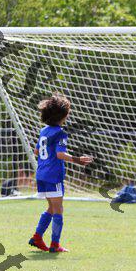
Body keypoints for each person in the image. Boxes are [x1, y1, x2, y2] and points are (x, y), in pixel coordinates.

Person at [28, 93, 93, 253]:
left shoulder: (44, 131)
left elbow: (36, 151)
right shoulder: (60, 133)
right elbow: (60, 154)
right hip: (53, 175)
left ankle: (37, 237)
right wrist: (78, 160)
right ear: (63, 115)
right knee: (58, 210)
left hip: (41, 174)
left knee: (51, 207)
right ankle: (55, 244)